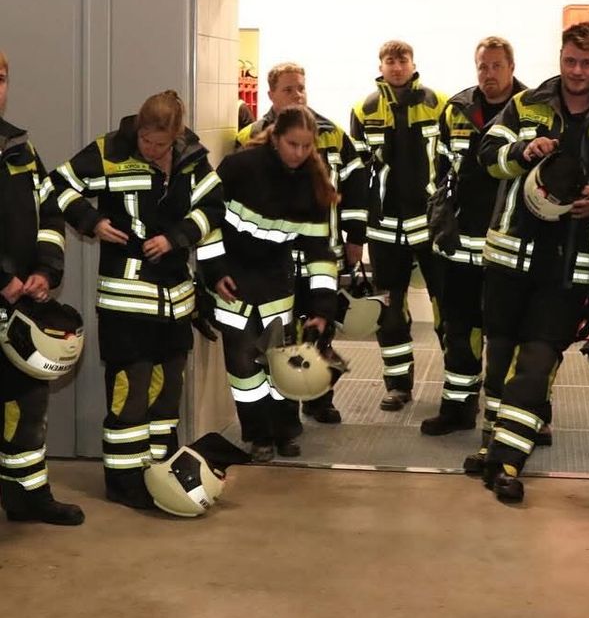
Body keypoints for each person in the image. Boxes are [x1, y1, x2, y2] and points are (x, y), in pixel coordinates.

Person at [472, 22, 589, 502]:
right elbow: (487, 156)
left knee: (538, 361)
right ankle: (491, 448)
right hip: (509, 259)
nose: (577, 72)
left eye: (587, 63)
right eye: (570, 61)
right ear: (560, 57)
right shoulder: (525, 106)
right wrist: (523, 150)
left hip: (569, 266)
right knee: (499, 357)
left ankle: (507, 463)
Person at [51, 90, 224, 509]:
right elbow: (55, 186)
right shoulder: (110, 151)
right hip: (125, 303)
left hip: (176, 302)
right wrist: (92, 222)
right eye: (146, 140)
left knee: (167, 396)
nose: (150, 150)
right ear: (139, 129)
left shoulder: (193, 159)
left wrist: (178, 237)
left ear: (176, 136)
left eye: (160, 144)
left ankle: (162, 475)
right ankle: (125, 484)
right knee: (131, 393)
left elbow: (214, 207)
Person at [199, 106, 339, 460]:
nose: (299, 153)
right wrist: (215, 272)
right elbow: (207, 222)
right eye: (293, 144)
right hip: (232, 281)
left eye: (307, 146)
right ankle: (258, 436)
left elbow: (318, 252)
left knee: (282, 365)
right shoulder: (239, 168)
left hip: (277, 284)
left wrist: (323, 308)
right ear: (275, 138)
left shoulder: (314, 185)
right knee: (245, 369)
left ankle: (285, 431)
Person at [237, 62, 368, 424]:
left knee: (319, 327)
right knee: (278, 336)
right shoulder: (250, 136)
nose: (297, 95)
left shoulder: (331, 133)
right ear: (271, 95)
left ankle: (319, 397)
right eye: (288, 89)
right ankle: (284, 412)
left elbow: (356, 184)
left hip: (318, 251)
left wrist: (356, 236)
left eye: (301, 88)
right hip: (272, 257)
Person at [420, 36, 525, 437]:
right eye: (483, 66)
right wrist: (439, 215)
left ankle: (521, 413)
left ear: (511, 68)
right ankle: (458, 409)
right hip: (460, 246)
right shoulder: (457, 110)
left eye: (497, 66)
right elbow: (438, 171)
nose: (489, 74)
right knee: (458, 330)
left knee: (508, 335)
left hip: (510, 246)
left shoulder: (531, 109)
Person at [0, 51, 84, 526]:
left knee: (28, 405)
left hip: (20, 310)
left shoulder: (20, 149)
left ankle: (28, 498)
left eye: (2, 78)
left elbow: (50, 214)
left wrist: (46, 270)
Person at [351, 40, 447, 410]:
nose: (396, 66)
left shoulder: (439, 104)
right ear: (380, 65)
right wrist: (359, 224)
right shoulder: (364, 109)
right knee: (390, 311)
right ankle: (398, 385)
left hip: (430, 225)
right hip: (385, 228)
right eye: (390, 60)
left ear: (413, 63)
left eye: (402, 59)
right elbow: (358, 171)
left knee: (448, 308)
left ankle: (458, 385)